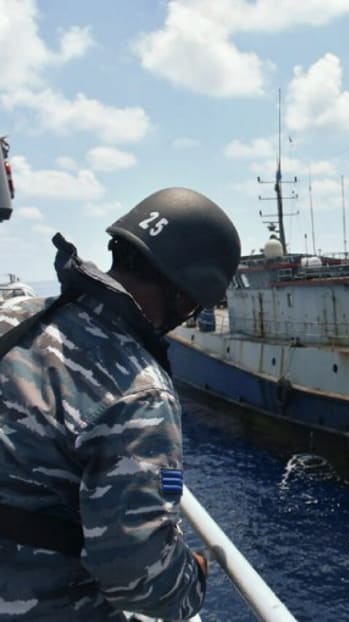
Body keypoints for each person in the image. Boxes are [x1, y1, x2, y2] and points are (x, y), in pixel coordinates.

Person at [0, 187, 240, 621]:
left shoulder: (14, 316)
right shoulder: (139, 391)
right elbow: (139, 580)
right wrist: (194, 579)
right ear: (185, 300)